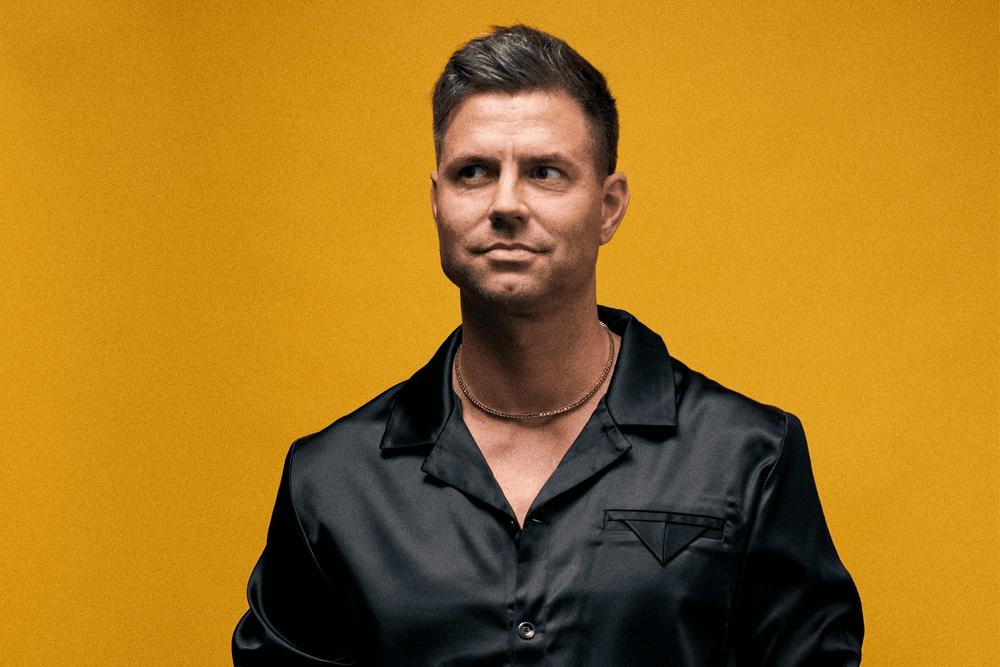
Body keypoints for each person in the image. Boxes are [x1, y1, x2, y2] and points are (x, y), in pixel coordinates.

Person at [232, 25, 863, 666]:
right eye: (473, 172)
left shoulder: (748, 456)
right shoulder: (333, 481)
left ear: (608, 207)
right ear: (437, 201)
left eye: (544, 172)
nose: (506, 204)